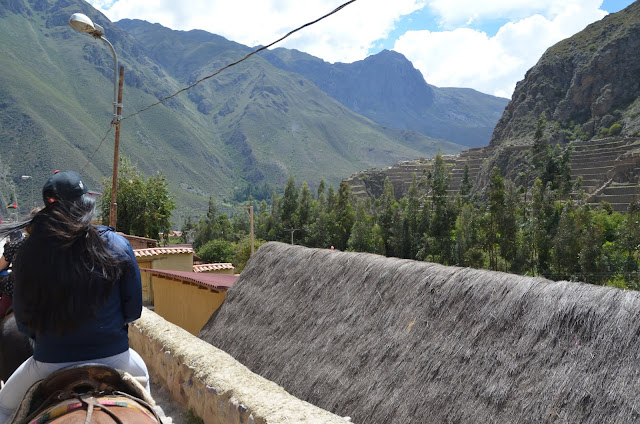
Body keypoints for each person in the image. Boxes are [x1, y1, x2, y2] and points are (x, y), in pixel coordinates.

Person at [0, 170, 149, 423]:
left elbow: (23, 323)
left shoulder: (28, 252)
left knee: (3, 409)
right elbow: (133, 310)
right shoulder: (116, 243)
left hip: (48, 362)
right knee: (150, 401)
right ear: (85, 203)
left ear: (48, 206)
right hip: (115, 357)